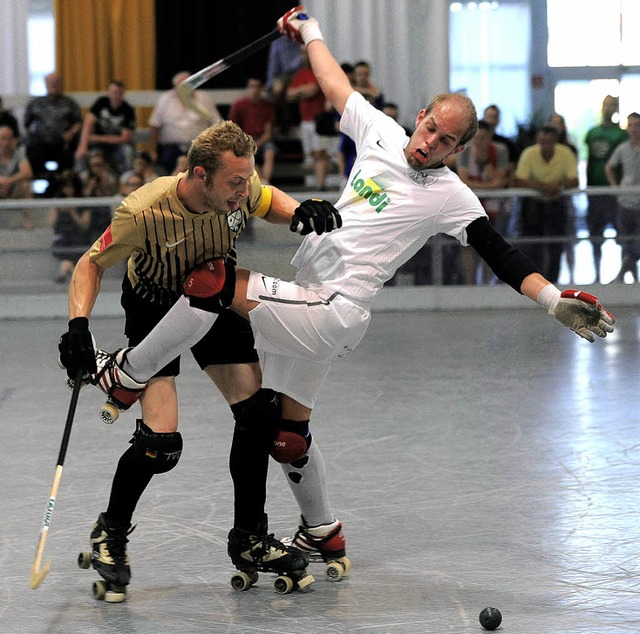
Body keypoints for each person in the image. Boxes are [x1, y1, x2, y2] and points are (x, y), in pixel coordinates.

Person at [78, 7, 616, 577]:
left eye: (446, 142)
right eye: (431, 128)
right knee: (284, 433)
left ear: (457, 151)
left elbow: (499, 252)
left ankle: (128, 373)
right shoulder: (380, 131)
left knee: (214, 282)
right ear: (420, 116)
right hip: (303, 299)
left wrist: (552, 299)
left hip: (333, 310)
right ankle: (322, 533)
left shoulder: (453, 195)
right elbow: (333, 81)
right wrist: (308, 29)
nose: (431, 144)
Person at [56, 120, 342, 596]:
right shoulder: (144, 211)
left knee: (258, 414)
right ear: (199, 174)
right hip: (155, 306)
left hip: (214, 294)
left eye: (244, 181)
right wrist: (77, 325)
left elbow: (268, 200)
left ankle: (249, 535)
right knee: (160, 445)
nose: (241, 193)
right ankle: (111, 530)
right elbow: (90, 262)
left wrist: (301, 213)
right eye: (233, 183)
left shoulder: (240, 187)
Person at [514, 125, 579, 284]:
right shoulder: (529, 153)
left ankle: (553, 283)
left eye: (549, 142)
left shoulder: (565, 153)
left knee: (556, 246)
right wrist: (544, 187)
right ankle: (534, 283)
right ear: (538, 140)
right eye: (542, 141)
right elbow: (518, 180)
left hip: (557, 204)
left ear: (555, 142)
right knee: (532, 246)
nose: (545, 145)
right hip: (533, 205)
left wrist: (557, 186)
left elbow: (574, 180)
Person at [456, 120, 509, 284]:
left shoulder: (500, 151)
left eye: (484, 138)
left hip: (494, 209)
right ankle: (470, 284)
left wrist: (485, 177)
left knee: (490, 246)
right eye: (476, 138)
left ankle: (486, 284)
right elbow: (463, 180)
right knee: (467, 245)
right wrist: (488, 186)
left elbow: (500, 181)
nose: (480, 142)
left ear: (490, 137)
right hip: (469, 207)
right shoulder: (464, 151)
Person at [585, 95, 628, 283]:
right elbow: (589, 161)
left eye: (612, 105)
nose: (608, 109)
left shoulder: (621, 135)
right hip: (595, 191)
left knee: (622, 234)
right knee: (596, 234)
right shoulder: (592, 132)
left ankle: (623, 274)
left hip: (614, 193)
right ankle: (596, 274)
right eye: (606, 105)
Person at [148, 71, 222, 176]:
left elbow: (216, 122)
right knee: (168, 161)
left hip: (199, 146)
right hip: (171, 147)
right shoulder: (165, 99)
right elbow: (155, 125)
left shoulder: (204, 98)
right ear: (175, 86)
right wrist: (152, 151)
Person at [286, 44, 331, 189]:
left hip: (320, 120)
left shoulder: (322, 71)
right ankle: (313, 185)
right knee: (310, 155)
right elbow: (289, 95)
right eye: (303, 53)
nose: (305, 56)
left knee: (320, 153)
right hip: (305, 120)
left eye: (307, 53)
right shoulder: (301, 74)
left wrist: (300, 91)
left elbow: (312, 91)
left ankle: (321, 185)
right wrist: (303, 90)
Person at [23, 72, 82, 177]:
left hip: (62, 142)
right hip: (41, 143)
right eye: (51, 82)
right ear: (46, 84)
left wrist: (71, 133)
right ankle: (44, 178)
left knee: (69, 156)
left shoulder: (69, 103)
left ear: (61, 84)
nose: (53, 85)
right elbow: (26, 124)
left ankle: (61, 180)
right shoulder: (36, 103)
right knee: (32, 153)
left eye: (56, 82)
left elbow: (78, 122)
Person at [605, 112, 640, 283]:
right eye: (631, 125)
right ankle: (632, 276)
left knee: (636, 242)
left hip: (639, 203)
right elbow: (609, 167)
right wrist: (615, 186)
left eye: (637, 125)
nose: (634, 129)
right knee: (626, 240)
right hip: (625, 201)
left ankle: (622, 273)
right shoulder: (622, 148)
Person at [75, 81, 136, 175]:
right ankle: (81, 179)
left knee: (128, 151)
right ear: (108, 93)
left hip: (116, 145)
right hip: (98, 144)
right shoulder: (101, 103)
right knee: (81, 153)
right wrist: (82, 146)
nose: (115, 95)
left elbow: (125, 138)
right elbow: (87, 124)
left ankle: (127, 179)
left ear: (123, 94)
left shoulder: (128, 110)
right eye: (113, 92)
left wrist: (99, 138)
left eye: (118, 92)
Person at [228, 77, 277, 185]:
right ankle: (262, 183)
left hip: (262, 139)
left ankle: (266, 182)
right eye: (252, 86)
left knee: (270, 152)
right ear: (247, 88)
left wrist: (258, 143)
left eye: (257, 86)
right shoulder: (239, 105)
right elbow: (234, 128)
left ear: (261, 89)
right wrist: (247, 142)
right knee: (249, 154)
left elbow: (268, 132)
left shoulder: (267, 106)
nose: (254, 90)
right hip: (245, 138)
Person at [49, 169, 92, 283]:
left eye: (70, 187)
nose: (68, 190)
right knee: (63, 250)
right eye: (65, 187)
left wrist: (73, 211)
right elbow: (51, 223)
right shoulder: (58, 201)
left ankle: (64, 273)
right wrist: (58, 210)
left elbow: (84, 225)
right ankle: (74, 274)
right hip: (62, 238)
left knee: (71, 254)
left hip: (79, 238)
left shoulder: (83, 202)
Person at [265, 35, 304, 135]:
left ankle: (299, 120)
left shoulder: (303, 36)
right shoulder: (278, 40)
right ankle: (284, 121)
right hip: (286, 77)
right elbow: (273, 63)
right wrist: (271, 83)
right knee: (277, 89)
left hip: (302, 74)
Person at [79, 150, 119, 241]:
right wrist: (89, 187)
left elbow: (113, 197)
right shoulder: (83, 177)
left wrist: (104, 186)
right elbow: (80, 197)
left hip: (104, 210)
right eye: (94, 165)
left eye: (99, 165)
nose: (96, 168)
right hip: (87, 208)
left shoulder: (110, 178)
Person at [0, 124, 34, 229]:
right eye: (3, 139)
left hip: (14, 189)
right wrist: (2, 181)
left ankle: (27, 218)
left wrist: (9, 181)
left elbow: (27, 172)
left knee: (25, 185)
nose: (6, 142)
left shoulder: (18, 153)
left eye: (9, 139)